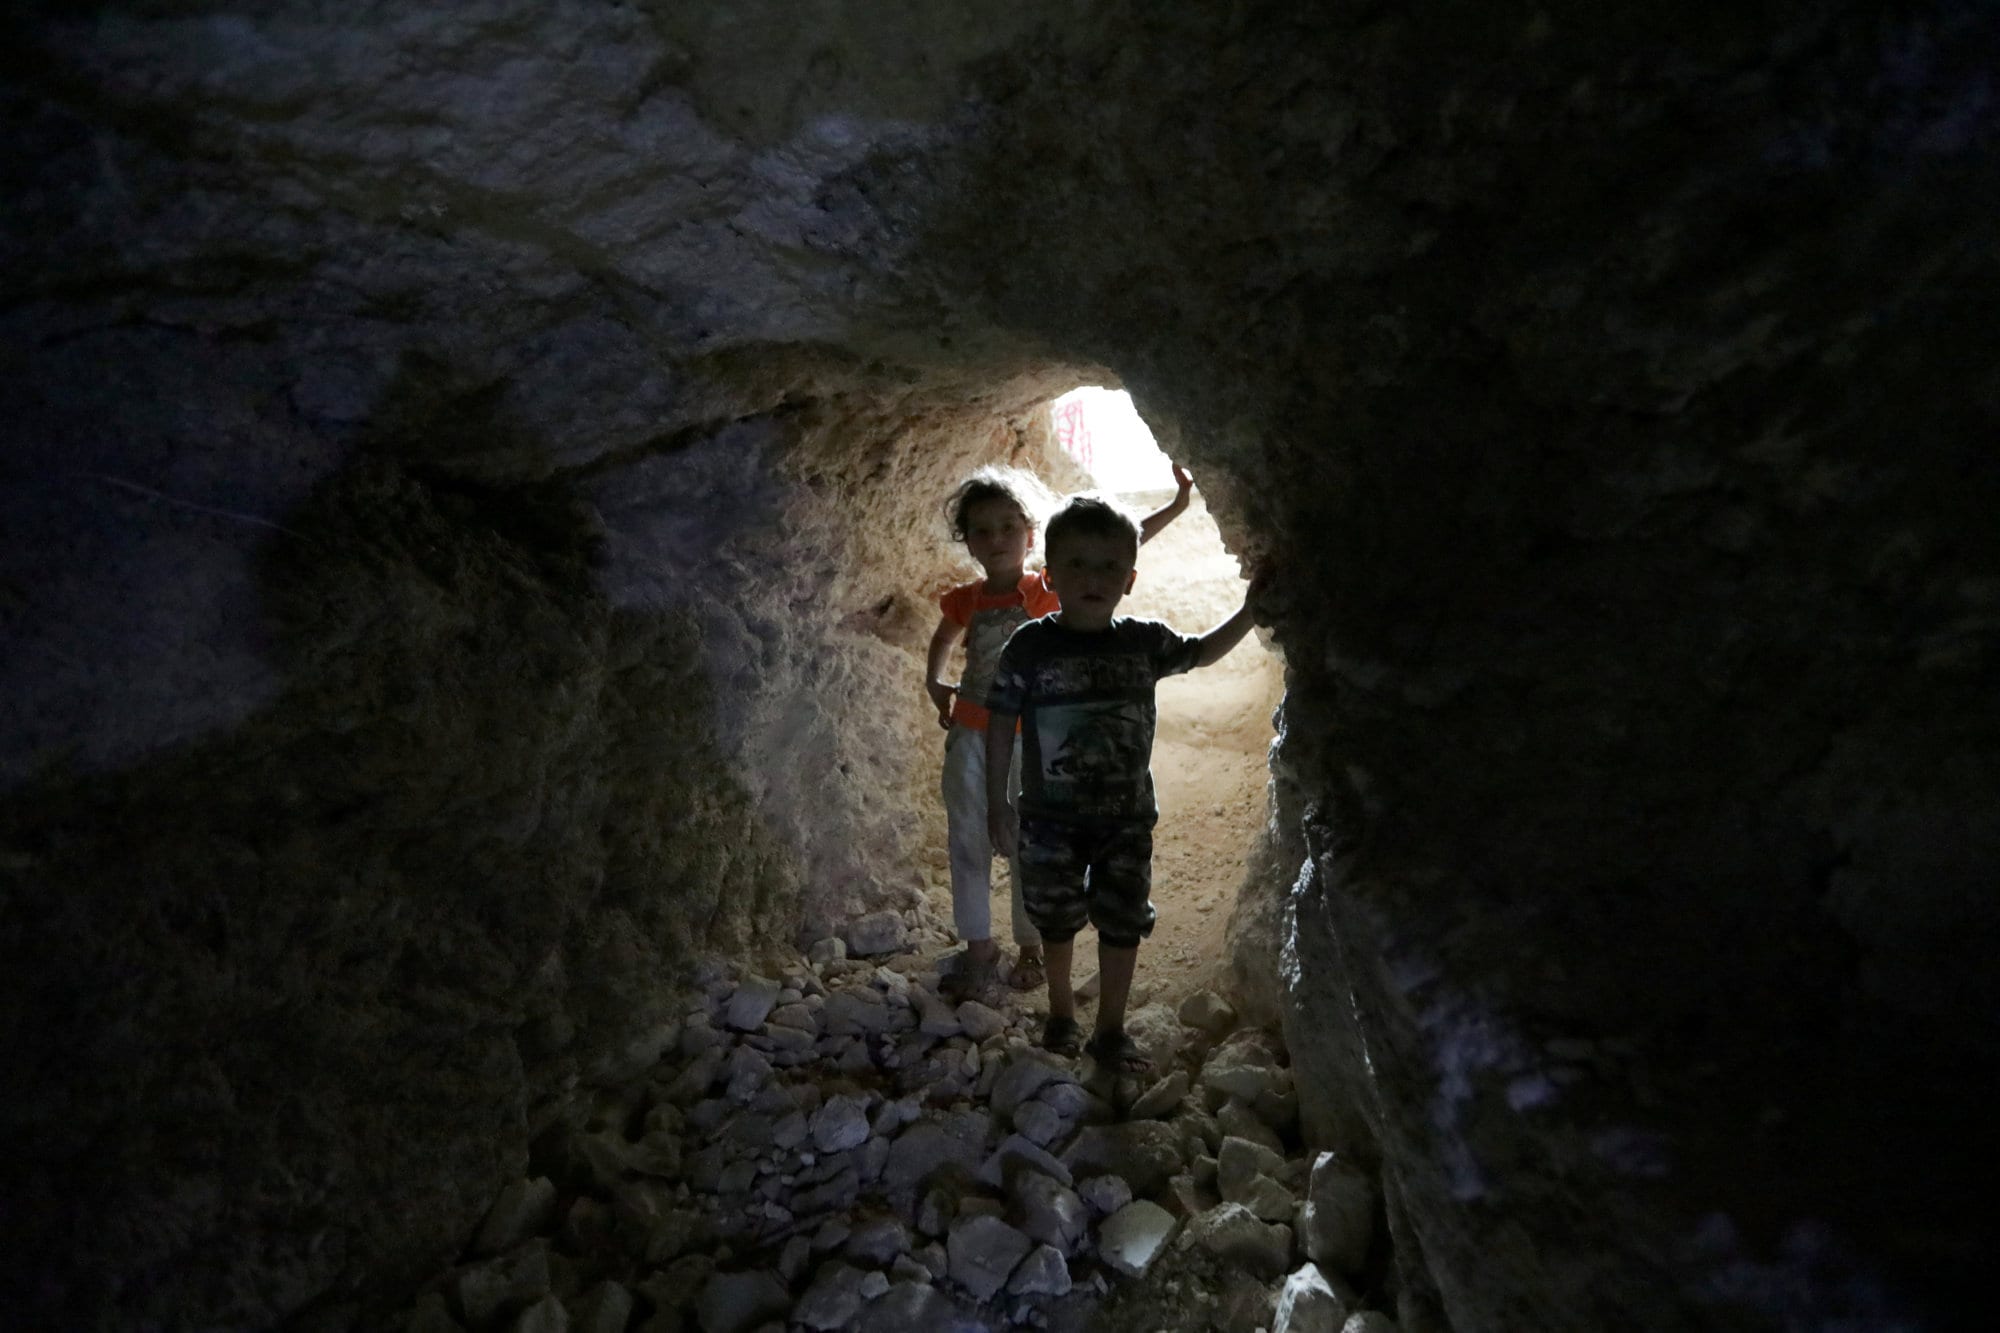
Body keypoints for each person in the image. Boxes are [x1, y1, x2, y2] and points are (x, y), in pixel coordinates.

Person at [984, 491, 1258, 1069]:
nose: (1094, 577)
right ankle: (1061, 1013)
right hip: (1049, 819)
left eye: (1110, 565)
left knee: (1122, 920)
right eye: (1077, 564)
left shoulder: (1143, 643)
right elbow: (1000, 722)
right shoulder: (1029, 647)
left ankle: (1110, 1028)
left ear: (1129, 579)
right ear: (1050, 575)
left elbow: (1202, 652)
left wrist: (1254, 609)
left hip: (1125, 820)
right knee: (1055, 920)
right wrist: (998, 803)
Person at [926, 463, 1194, 999]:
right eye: (982, 529)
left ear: (1031, 534)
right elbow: (946, 636)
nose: (996, 539)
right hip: (971, 736)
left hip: (1031, 740)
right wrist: (934, 681)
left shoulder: (1046, 588)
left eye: (1008, 526)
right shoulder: (967, 599)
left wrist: (1179, 505)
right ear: (968, 542)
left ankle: (1031, 946)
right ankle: (979, 946)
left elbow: (1117, 542)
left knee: (1031, 840)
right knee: (968, 835)